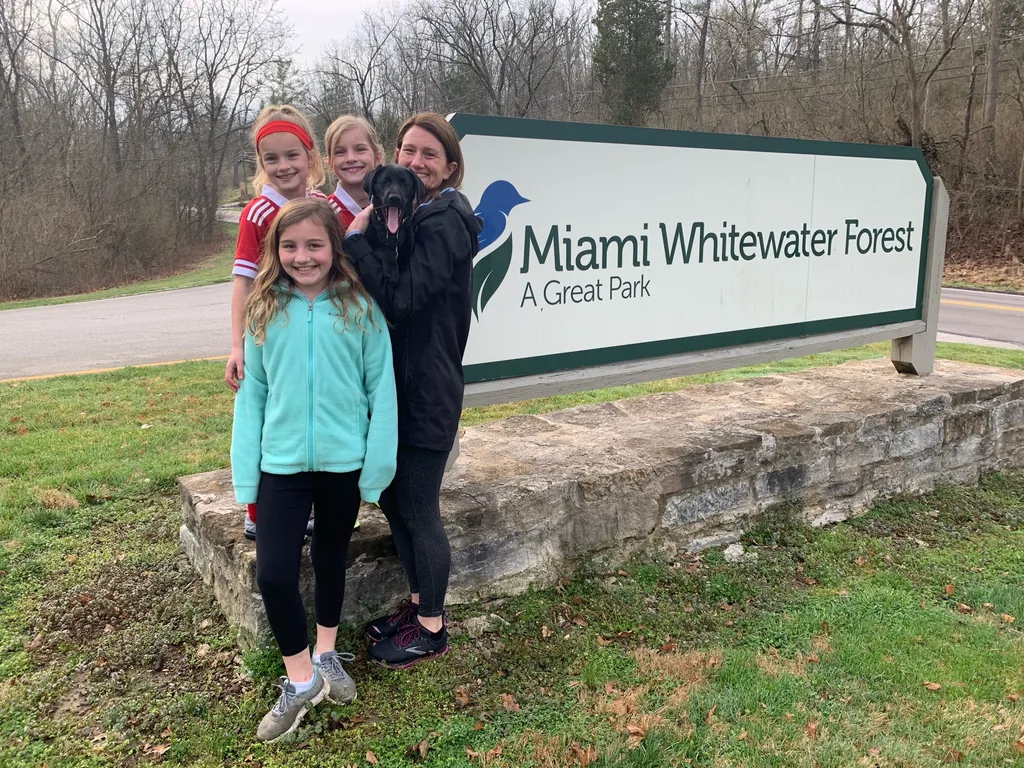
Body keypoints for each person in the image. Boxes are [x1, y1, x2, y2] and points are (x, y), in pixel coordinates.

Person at [231, 198, 397, 740]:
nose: (302, 256)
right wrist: (245, 472)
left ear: (334, 248)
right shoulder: (265, 309)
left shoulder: (361, 310)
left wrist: (375, 470)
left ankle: (326, 653)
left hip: (342, 464)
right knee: (274, 573)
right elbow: (253, 393)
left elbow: (382, 392)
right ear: (276, 251)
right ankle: (300, 678)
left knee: (330, 559)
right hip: (280, 465)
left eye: (314, 245)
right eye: (290, 246)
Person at [344, 112, 483, 669]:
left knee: (419, 508)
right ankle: (420, 604)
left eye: (429, 154)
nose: (415, 161)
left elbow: (400, 301)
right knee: (398, 502)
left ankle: (431, 627)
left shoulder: (447, 218)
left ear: (450, 167)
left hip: (428, 389)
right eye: (407, 150)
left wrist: (355, 244)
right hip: (402, 387)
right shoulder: (414, 214)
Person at [224, 104, 327, 541]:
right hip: (271, 331)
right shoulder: (258, 213)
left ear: (310, 156)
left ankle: (314, 500)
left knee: (316, 409)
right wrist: (237, 344)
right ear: (261, 164)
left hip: (317, 331)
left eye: (292, 155)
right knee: (263, 417)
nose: (283, 166)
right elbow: (243, 281)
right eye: (271, 158)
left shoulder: (323, 205)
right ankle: (256, 508)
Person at [324, 115, 385, 231]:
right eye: (340, 152)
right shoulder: (325, 214)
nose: (351, 158)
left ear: (377, 157)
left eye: (360, 149)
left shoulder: (391, 205)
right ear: (330, 163)